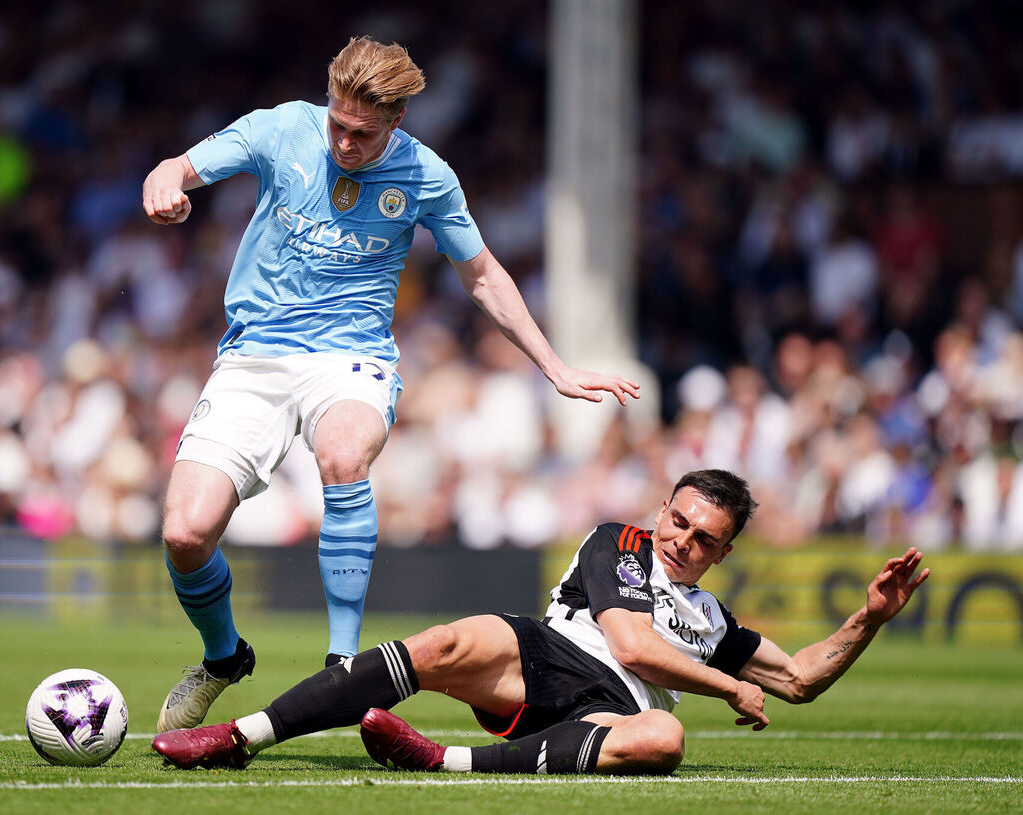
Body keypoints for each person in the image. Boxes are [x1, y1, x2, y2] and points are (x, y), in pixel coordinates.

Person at [141, 35, 640, 734]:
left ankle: (342, 663)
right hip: (254, 355)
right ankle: (224, 658)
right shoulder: (279, 127)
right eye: (338, 125)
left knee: (345, 451)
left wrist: (554, 366)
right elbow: (178, 167)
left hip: (352, 357)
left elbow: (484, 275)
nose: (343, 142)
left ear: (396, 123)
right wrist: (166, 184)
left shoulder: (427, 177)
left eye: (362, 134)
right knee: (185, 532)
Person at [151, 469, 929, 775]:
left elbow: (800, 679)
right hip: (545, 657)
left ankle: (440, 761)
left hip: (611, 712)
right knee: (443, 641)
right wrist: (726, 685)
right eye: (680, 520)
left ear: (723, 552)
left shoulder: (712, 618)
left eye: (703, 538)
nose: (682, 540)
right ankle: (240, 736)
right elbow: (629, 643)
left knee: (663, 738)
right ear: (664, 508)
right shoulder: (621, 542)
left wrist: (868, 617)